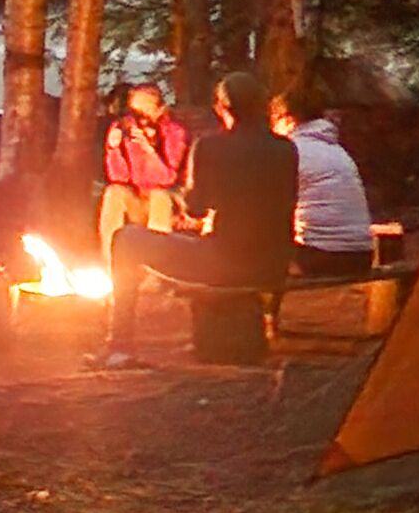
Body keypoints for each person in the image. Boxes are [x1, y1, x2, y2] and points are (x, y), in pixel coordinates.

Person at [100, 71, 299, 365]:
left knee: (125, 239)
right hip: (274, 263)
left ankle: (120, 346)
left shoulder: (211, 146)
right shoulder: (286, 148)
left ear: (223, 107)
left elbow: (196, 207)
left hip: (225, 260)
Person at [273, 87, 374, 275]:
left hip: (320, 256)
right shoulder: (338, 151)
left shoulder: (290, 151)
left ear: (287, 119)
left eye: (274, 121)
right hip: (361, 256)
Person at [97, 82, 192, 261]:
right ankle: (111, 266)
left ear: (160, 110)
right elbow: (117, 177)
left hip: (168, 203)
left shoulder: (175, 133)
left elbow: (167, 179)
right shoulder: (124, 128)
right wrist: (114, 149)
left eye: (145, 111)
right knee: (113, 193)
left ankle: (156, 269)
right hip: (138, 200)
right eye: (135, 111)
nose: (140, 118)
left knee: (159, 197)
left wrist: (149, 151)